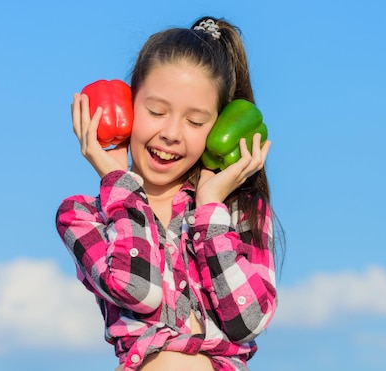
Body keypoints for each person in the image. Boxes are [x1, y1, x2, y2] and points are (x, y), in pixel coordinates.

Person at [56, 16, 283, 371]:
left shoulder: (240, 213)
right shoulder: (84, 217)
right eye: (156, 111)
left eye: (195, 122)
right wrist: (118, 180)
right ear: (129, 107)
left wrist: (210, 212)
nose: (172, 133)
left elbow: (248, 321)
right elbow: (138, 290)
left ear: (220, 126)